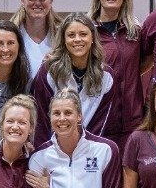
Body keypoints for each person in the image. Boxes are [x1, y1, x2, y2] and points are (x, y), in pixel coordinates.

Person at [29, 13, 123, 145]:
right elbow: (41, 120)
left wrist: (85, 151)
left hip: (87, 149)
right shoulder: (49, 71)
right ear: (64, 39)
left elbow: (100, 124)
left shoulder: (106, 77)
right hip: (52, 149)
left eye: (83, 34)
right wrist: (43, 154)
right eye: (71, 35)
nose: (77, 39)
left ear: (92, 38)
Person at [90, 0, 144, 130]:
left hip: (133, 122)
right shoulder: (87, 30)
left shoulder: (135, 32)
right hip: (98, 122)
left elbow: (145, 61)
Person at [15, 0, 58, 74]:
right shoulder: (12, 35)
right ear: (22, 0)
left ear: (51, 0)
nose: (37, 3)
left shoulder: (61, 35)